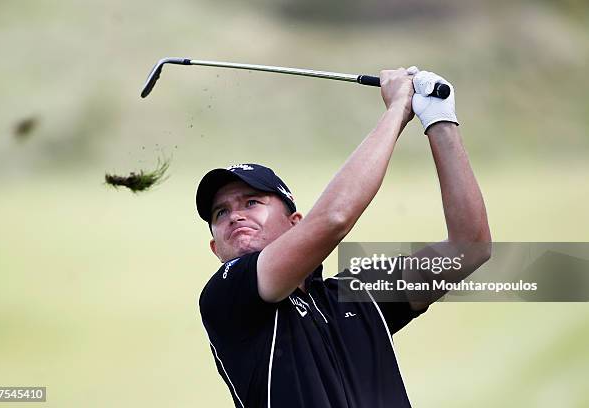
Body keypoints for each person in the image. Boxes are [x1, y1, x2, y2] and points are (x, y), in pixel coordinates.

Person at [196, 68, 491, 407]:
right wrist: (398, 109)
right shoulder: (226, 295)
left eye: (251, 202)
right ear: (215, 248)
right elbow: (335, 218)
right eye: (221, 213)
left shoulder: (356, 294)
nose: (234, 215)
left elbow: (470, 248)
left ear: (295, 223)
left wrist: (439, 117)